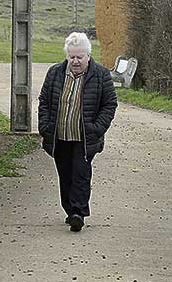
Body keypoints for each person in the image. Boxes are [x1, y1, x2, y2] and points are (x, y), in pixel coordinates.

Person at [38, 32, 117, 232]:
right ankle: (69, 210)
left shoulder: (101, 75)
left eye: (79, 57)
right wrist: (45, 128)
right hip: (59, 136)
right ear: (67, 56)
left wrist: (96, 129)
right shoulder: (55, 73)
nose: (75, 61)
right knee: (65, 174)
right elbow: (44, 101)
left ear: (88, 56)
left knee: (81, 174)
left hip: (84, 138)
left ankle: (78, 213)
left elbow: (109, 105)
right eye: (72, 57)